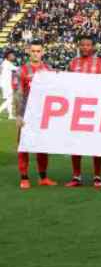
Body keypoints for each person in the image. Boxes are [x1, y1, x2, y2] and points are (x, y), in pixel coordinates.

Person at [65, 35, 101, 188]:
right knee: (76, 143)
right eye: (82, 45)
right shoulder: (73, 63)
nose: (85, 47)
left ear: (93, 47)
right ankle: (76, 176)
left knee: (95, 143)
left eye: (88, 45)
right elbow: (67, 85)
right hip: (77, 109)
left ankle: (97, 176)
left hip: (96, 109)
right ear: (79, 46)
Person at [15, 41, 56, 189]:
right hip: (26, 114)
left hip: (43, 114)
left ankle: (43, 177)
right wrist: (19, 115)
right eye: (33, 51)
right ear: (28, 51)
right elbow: (18, 93)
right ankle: (24, 177)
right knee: (23, 145)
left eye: (38, 51)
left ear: (43, 52)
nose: (36, 53)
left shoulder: (49, 70)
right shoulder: (22, 71)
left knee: (43, 146)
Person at [1, 51, 19, 119]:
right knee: (10, 99)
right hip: (6, 84)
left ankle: (10, 115)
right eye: (12, 55)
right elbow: (17, 68)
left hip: (4, 83)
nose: (13, 57)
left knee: (9, 99)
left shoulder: (5, 63)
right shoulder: (7, 63)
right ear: (8, 56)